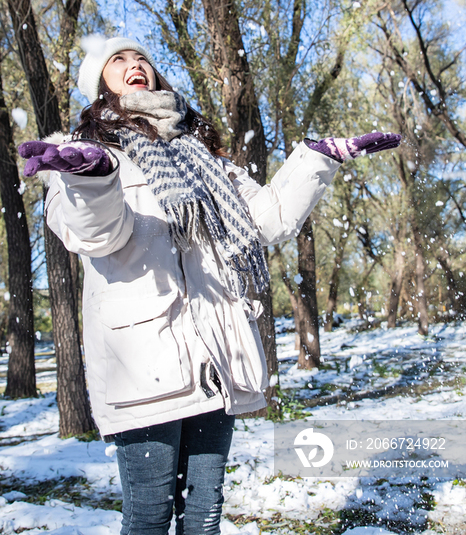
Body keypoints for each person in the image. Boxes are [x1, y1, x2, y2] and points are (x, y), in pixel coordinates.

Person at [19, 37, 401, 535]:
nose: (135, 66)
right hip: (144, 364)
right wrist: (94, 180)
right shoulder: (86, 155)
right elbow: (96, 234)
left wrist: (316, 160)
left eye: (142, 60)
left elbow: (265, 219)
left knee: (205, 516)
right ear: (100, 85)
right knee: (150, 518)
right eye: (119, 61)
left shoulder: (203, 156)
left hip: (214, 358)